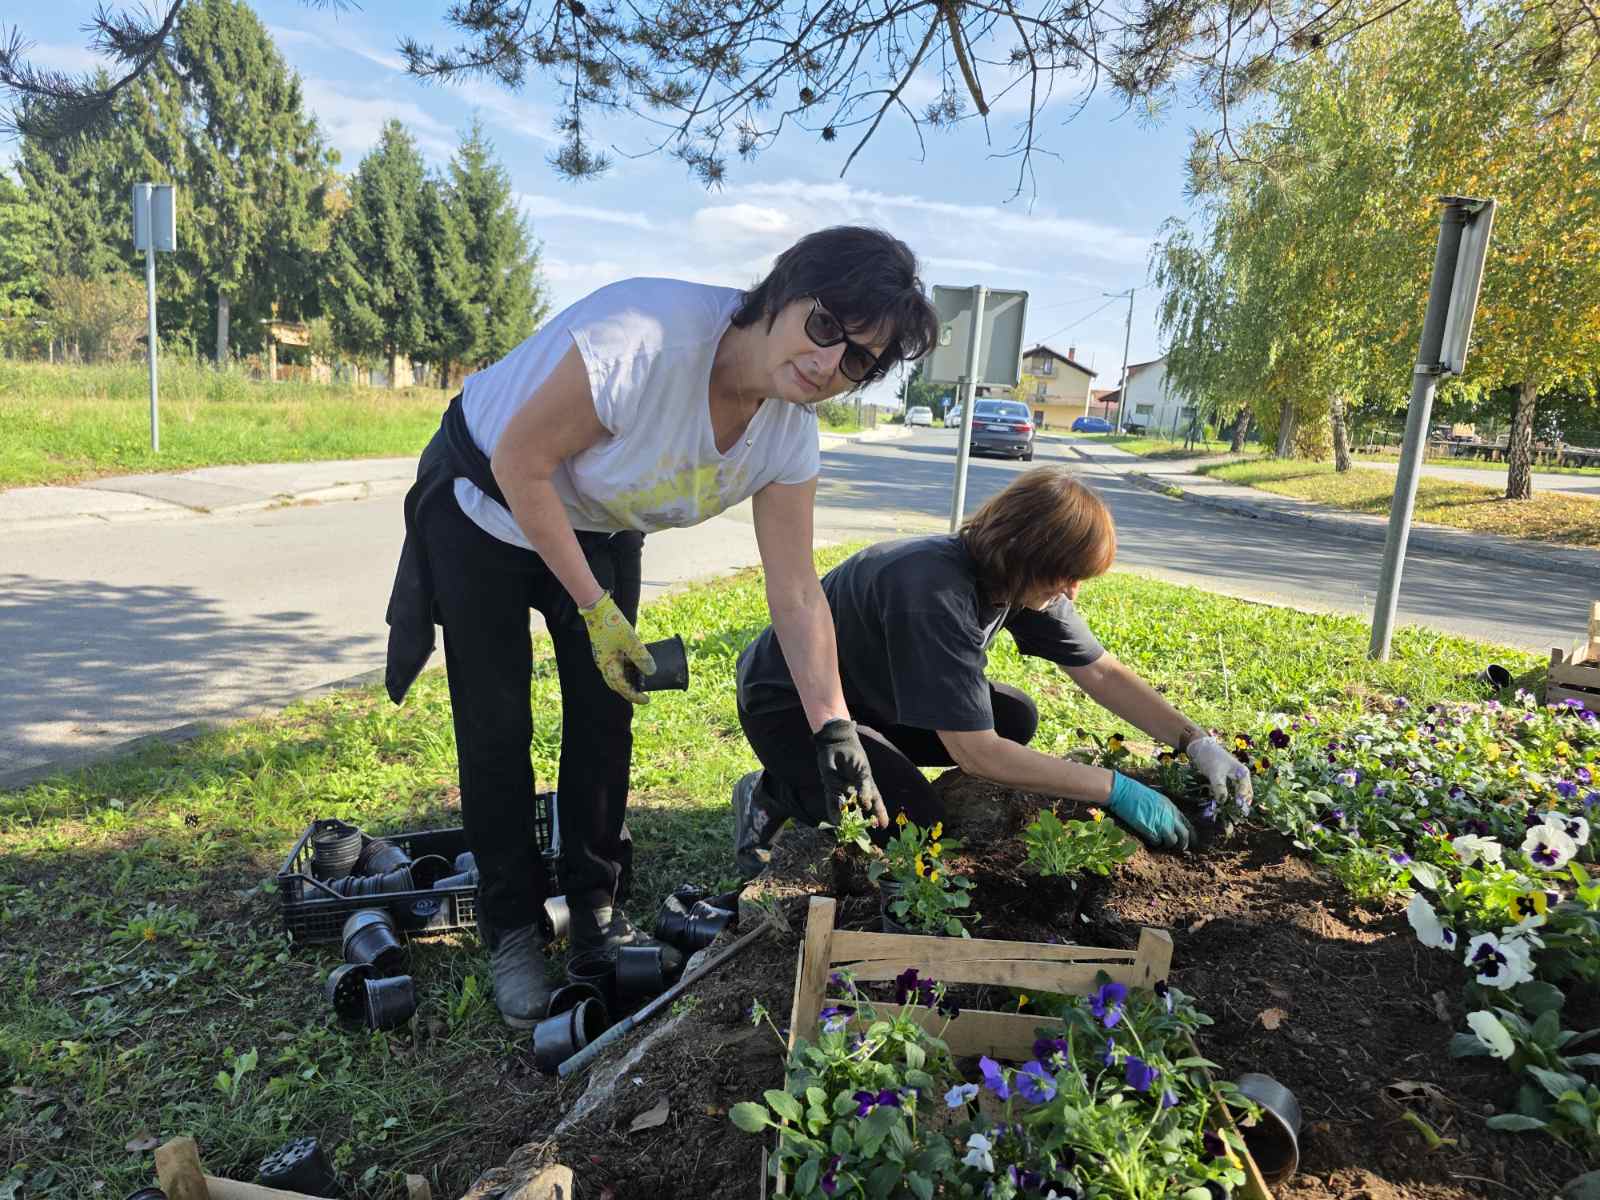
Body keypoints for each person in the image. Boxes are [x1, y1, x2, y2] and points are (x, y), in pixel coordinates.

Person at [384, 227, 941, 1027]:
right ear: (785, 291)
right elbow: (520, 462)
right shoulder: (643, 339)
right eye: (826, 326)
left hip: (600, 524)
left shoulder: (788, 434)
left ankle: (594, 908)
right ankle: (511, 927)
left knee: (607, 717)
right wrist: (596, 609)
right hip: (488, 503)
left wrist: (835, 727)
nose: (828, 364)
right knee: (497, 720)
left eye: (858, 360)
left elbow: (795, 591)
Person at [730, 466, 1252, 876]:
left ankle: (834, 772)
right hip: (793, 706)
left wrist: (1196, 742)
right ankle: (774, 790)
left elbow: (1101, 672)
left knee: (1013, 718)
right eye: (1067, 576)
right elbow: (975, 753)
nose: (1073, 592)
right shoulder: (933, 594)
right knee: (916, 825)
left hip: (866, 692)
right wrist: (1115, 788)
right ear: (1026, 555)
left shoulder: (1015, 579)